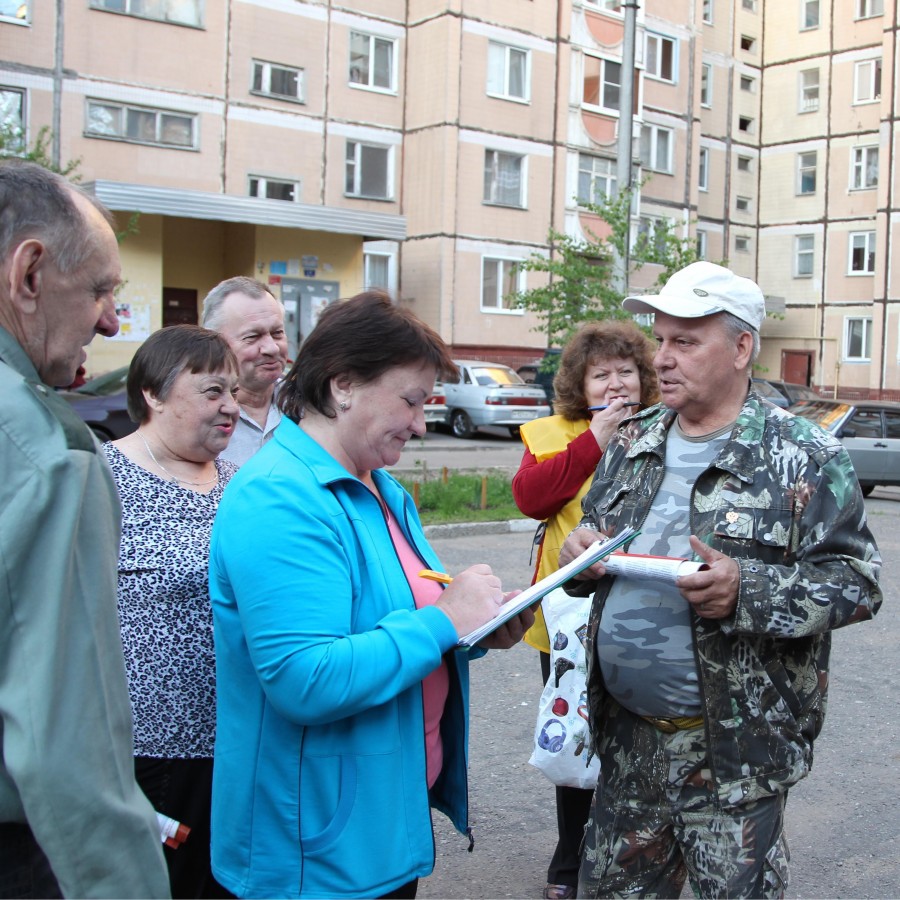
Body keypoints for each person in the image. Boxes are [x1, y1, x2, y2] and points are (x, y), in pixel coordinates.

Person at [559, 261, 882, 899]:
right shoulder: (632, 440)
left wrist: (749, 591)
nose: (663, 358)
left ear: (741, 348)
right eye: (660, 339)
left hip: (731, 759)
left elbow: (857, 581)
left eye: (685, 341)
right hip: (627, 747)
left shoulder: (804, 455)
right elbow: (594, 539)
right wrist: (580, 558)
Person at [208, 291, 534, 899]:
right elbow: (306, 677)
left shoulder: (379, 488)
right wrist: (444, 621)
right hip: (313, 851)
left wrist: (477, 627)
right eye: (410, 401)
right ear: (342, 386)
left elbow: (408, 619)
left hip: (377, 826)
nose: (419, 422)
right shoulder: (279, 498)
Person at [0, 160, 169, 898]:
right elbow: (65, 745)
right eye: (101, 289)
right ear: (29, 274)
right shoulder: (45, 449)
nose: (110, 321)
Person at [511, 320, 659, 900]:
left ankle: (632, 851)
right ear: (581, 384)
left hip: (644, 616)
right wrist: (595, 437)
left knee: (640, 738)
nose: (617, 384)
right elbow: (532, 499)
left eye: (627, 372)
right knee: (576, 736)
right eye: (602, 375)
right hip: (566, 619)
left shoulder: (665, 428)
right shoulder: (553, 433)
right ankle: (570, 859)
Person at [103, 325, 240, 899]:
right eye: (212, 391)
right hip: (146, 753)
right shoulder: (102, 478)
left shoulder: (240, 485)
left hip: (238, 743)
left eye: (233, 392)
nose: (231, 406)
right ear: (154, 394)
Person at [201, 276, 287, 466]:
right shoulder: (196, 414)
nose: (272, 348)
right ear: (216, 342)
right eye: (253, 336)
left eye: (277, 333)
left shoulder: (309, 402)